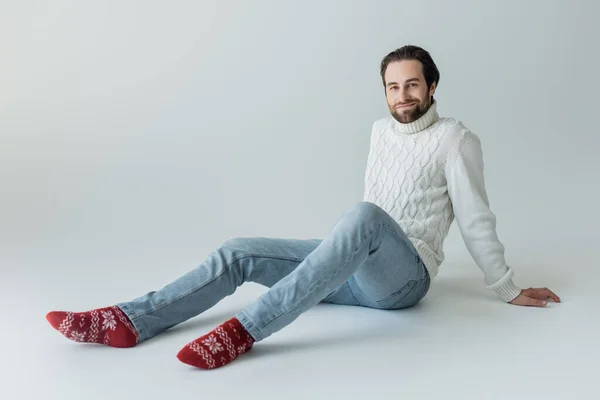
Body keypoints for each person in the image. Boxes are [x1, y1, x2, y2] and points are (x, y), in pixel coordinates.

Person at [46, 45, 561, 370]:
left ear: (431, 86)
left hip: (405, 280)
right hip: (356, 264)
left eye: (411, 84)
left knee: (362, 215)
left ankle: (244, 330)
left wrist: (507, 288)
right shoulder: (381, 132)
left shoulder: (456, 139)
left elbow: (475, 219)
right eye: (393, 86)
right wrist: (335, 259)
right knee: (238, 251)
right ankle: (131, 321)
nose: (402, 95)